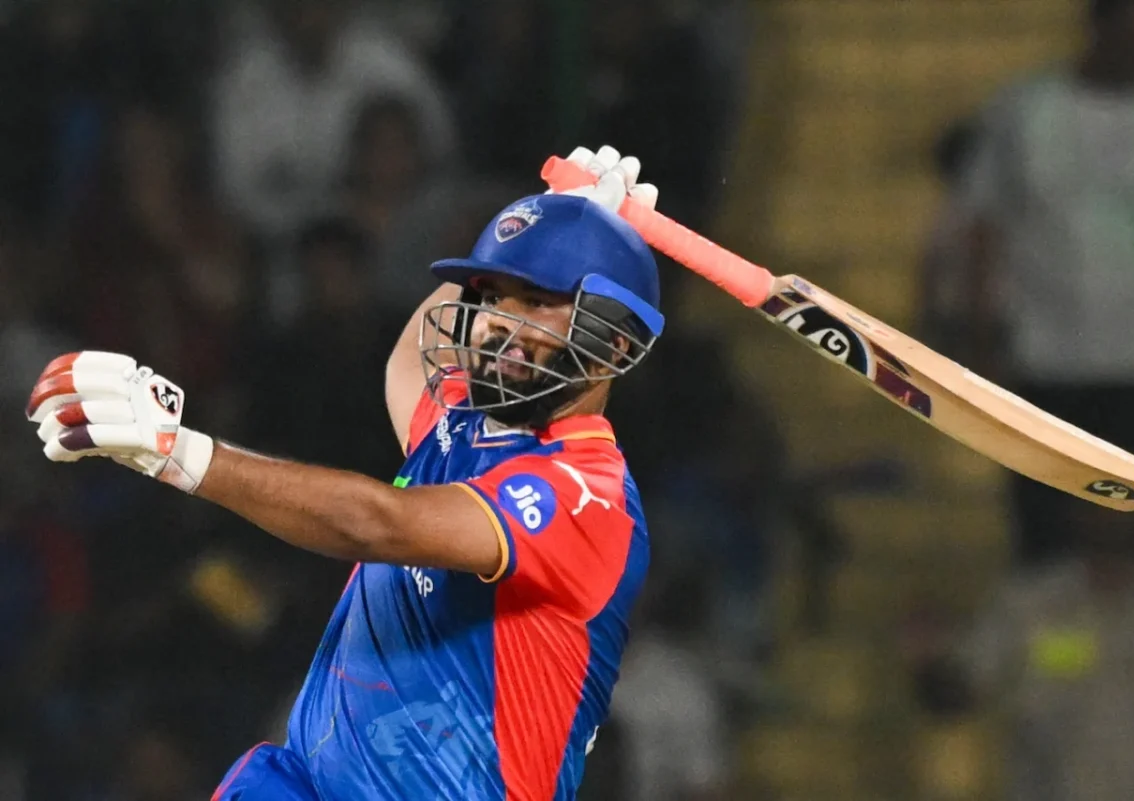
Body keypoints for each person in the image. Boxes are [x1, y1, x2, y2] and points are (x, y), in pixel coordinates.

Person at [25, 146, 667, 800]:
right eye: (493, 298)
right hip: (305, 783)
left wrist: (178, 452)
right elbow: (407, 361)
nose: (499, 324)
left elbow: (376, 523)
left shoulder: (589, 496)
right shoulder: (467, 422)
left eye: (535, 302)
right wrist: (556, 211)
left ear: (611, 343)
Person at [959, 0, 1134, 568]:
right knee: (1047, 533)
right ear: (1100, 26)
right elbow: (985, 224)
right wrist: (982, 335)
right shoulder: (1026, 108)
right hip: (1050, 357)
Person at [900, 505, 1134, 801]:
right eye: (1099, 501)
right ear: (1076, 509)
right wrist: (928, 662)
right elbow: (960, 692)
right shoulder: (1028, 605)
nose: (1111, 514)